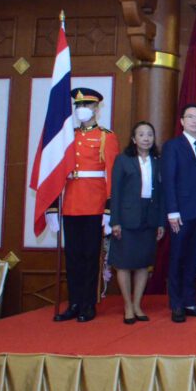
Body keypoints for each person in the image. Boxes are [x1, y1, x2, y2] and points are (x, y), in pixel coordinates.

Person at [52, 87, 120, 323]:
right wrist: (53, 206)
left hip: (94, 204)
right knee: (72, 256)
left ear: (96, 108)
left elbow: (111, 173)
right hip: (71, 203)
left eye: (87, 105)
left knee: (91, 255)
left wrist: (110, 208)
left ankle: (88, 304)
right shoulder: (68, 136)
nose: (82, 110)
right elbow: (56, 173)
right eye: (78, 106)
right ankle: (74, 302)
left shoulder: (106, 136)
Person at [108, 121, 165, 324]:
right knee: (124, 264)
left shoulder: (157, 160)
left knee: (143, 264)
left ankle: (138, 304)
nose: (146, 138)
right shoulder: (123, 160)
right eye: (141, 135)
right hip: (126, 218)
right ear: (134, 139)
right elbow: (115, 193)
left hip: (149, 218)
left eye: (150, 134)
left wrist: (160, 222)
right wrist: (115, 221)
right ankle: (127, 305)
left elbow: (161, 195)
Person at [162, 104, 196, 323]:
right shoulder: (173, 146)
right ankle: (176, 304)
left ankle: (191, 302)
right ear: (182, 121)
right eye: (190, 117)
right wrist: (172, 211)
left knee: (194, 259)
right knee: (178, 258)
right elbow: (168, 181)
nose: (195, 121)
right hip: (180, 214)